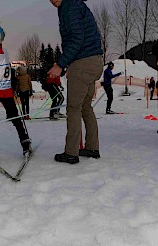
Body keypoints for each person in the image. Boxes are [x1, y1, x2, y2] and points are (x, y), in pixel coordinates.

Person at [48, 0, 103, 164]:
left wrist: (60, 64)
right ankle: (92, 148)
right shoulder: (75, 4)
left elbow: (77, 38)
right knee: (85, 107)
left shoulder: (70, 6)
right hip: (95, 60)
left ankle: (71, 152)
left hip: (83, 62)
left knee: (73, 108)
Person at [0, 22, 31, 160]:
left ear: (1, 38)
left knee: (16, 119)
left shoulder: (6, 53)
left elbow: (7, 69)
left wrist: (13, 79)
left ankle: (26, 143)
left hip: (7, 92)